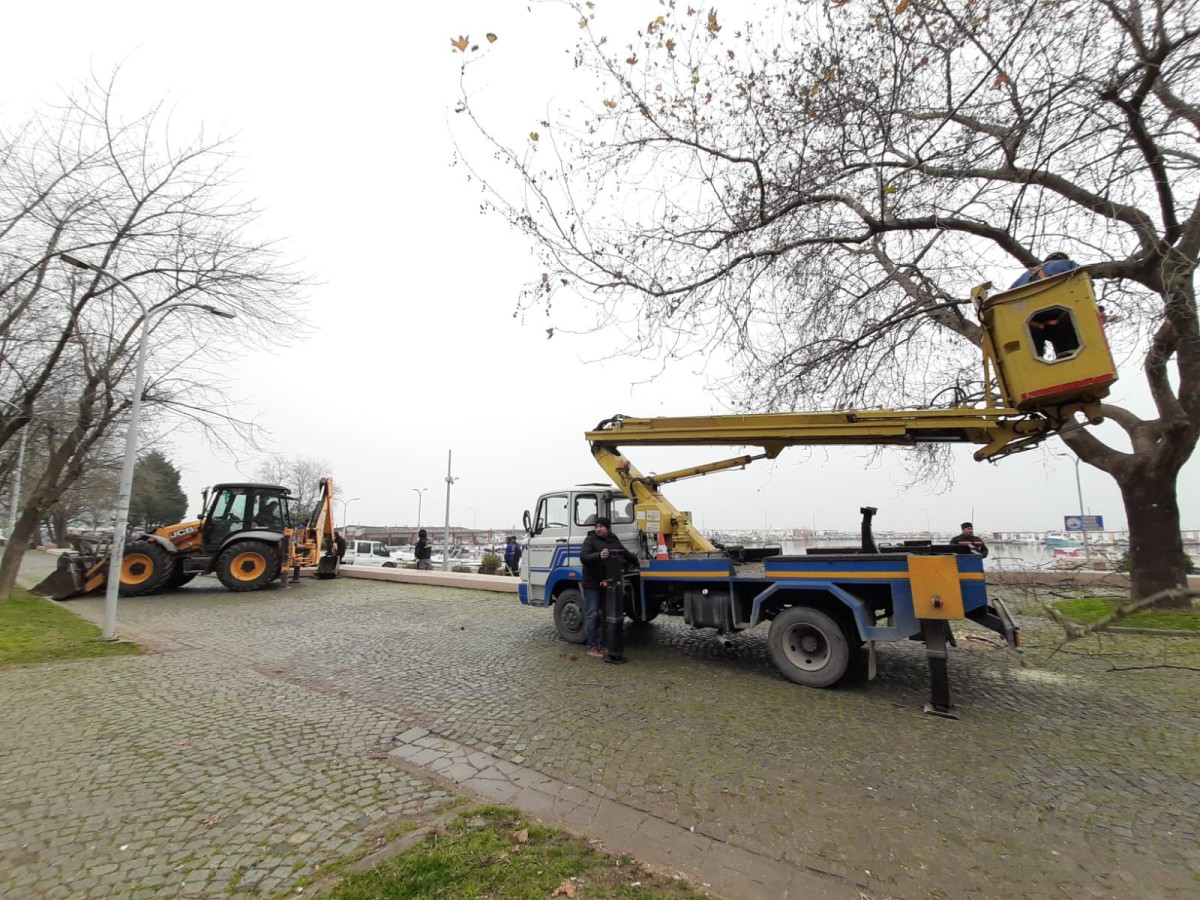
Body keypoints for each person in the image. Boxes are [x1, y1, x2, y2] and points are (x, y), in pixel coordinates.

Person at [578, 516, 638, 658]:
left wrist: (636, 560)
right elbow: (583, 557)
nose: (598, 529)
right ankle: (592, 646)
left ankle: (604, 644)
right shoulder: (590, 540)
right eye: (596, 526)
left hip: (607, 583)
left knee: (606, 614)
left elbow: (623, 552)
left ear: (607, 528)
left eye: (601, 526)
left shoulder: (613, 539)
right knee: (592, 614)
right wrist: (599, 555)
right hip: (592, 583)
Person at [1010, 251, 1079, 288]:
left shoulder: (1025, 275)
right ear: (1063, 258)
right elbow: (1083, 276)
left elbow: (1008, 295)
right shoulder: (1068, 263)